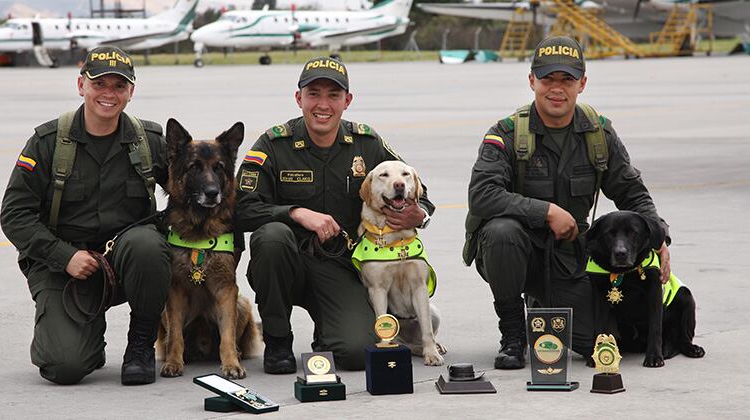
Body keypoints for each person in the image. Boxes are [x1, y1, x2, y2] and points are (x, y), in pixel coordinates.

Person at [464, 36, 671, 369]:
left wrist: (658, 236)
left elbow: (632, 191)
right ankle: (513, 333)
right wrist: (546, 211)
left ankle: (543, 305)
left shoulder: (598, 135)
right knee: (502, 231)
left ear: (582, 83)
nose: (556, 89)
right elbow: (482, 195)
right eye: (548, 79)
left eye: (567, 80)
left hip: (568, 259)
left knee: (605, 345)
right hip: (515, 253)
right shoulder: (505, 134)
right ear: (532, 80)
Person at [234, 57, 434, 373]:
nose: (322, 104)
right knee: (271, 237)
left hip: (341, 267)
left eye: (333, 95)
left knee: (357, 352)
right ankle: (277, 341)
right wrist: (295, 213)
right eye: (314, 94)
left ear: (347, 101)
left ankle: (328, 333)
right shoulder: (274, 144)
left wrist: (419, 215)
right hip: (286, 263)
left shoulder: (367, 144)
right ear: (299, 98)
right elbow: (241, 209)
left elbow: (415, 188)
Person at [0, 46, 170, 385]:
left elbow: (190, 192)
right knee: (66, 367)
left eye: (119, 86)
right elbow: (14, 214)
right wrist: (64, 256)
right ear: (81, 86)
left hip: (127, 262)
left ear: (131, 92)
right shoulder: (48, 142)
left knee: (148, 246)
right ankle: (85, 339)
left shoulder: (149, 141)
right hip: (65, 266)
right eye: (99, 84)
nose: (109, 94)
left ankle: (140, 345)